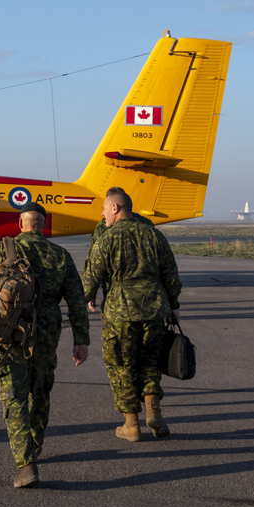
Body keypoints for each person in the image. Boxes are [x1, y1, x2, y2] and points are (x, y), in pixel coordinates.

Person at [0, 201, 90, 488]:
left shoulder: (6, 249)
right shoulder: (60, 255)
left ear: (21, 224)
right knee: (40, 391)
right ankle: (35, 443)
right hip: (46, 334)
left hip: (11, 333)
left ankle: (26, 464)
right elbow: (76, 300)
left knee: (14, 396)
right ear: (43, 226)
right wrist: (81, 340)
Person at [83, 187, 182, 442]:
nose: (103, 214)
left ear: (115, 208)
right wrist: (174, 304)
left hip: (121, 311)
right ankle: (153, 411)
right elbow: (170, 273)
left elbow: (91, 275)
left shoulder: (107, 238)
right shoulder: (154, 235)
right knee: (151, 362)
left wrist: (86, 297)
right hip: (154, 308)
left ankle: (131, 425)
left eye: (105, 208)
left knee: (122, 365)